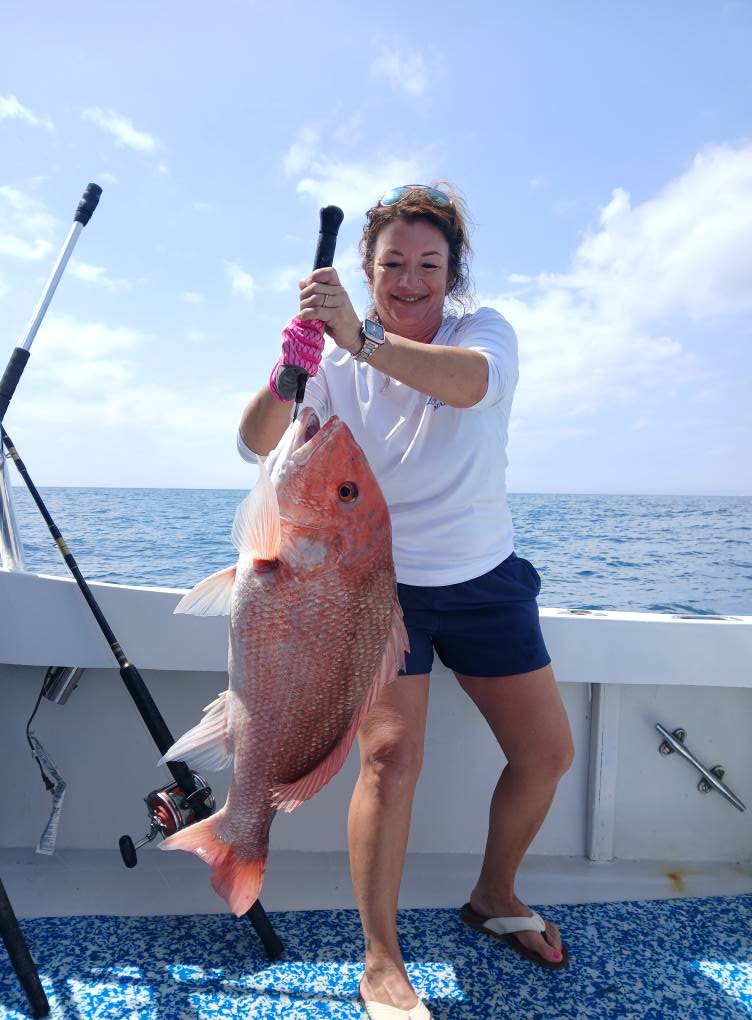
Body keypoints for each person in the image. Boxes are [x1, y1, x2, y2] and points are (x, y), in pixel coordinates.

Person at [238, 183, 575, 1020]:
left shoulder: (481, 334)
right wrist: (292, 370)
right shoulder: (334, 355)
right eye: (394, 263)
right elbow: (254, 442)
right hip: (370, 585)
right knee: (389, 764)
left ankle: (493, 894)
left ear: (453, 272)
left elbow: (466, 387)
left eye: (429, 263)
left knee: (548, 754)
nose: (411, 277)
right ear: (368, 267)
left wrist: (362, 334)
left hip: (484, 578)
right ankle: (381, 961)